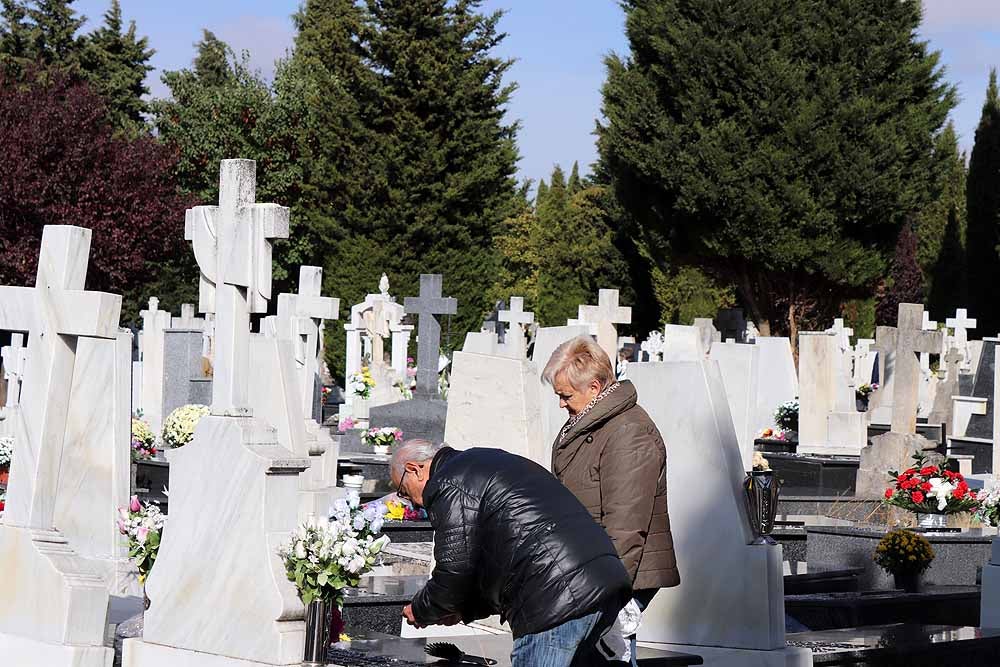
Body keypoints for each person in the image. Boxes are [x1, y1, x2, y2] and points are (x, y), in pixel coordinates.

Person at [392, 439, 631, 667]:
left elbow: (455, 569)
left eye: (404, 490)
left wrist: (421, 610)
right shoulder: (485, 460)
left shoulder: (448, 482)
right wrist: (462, 609)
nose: (412, 503)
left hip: (555, 597)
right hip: (602, 577)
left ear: (415, 469)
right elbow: (496, 564)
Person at [543, 335, 680, 666]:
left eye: (565, 395)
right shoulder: (589, 423)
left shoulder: (628, 432)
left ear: (594, 387)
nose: (560, 404)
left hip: (616, 574)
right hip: (589, 568)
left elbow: (626, 524)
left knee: (609, 657)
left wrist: (610, 590)